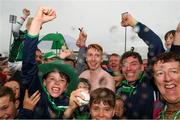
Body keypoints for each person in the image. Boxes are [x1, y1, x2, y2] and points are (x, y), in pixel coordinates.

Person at [18, 6, 79, 118]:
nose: (57, 83)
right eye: (52, 79)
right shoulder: (37, 93)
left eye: (62, 80)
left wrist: (71, 108)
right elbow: (28, 61)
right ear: (44, 82)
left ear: (66, 86)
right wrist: (37, 22)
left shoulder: (67, 102)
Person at [153, 52, 180, 119]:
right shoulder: (159, 113)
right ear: (155, 82)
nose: (167, 78)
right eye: (160, 73)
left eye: (174, 71)